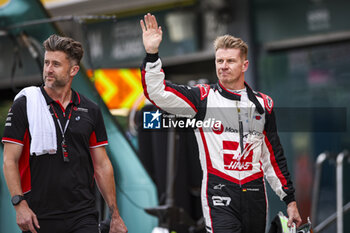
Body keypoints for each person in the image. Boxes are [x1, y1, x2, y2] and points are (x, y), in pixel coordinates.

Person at [140, 13, 302, 233]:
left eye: (230, 61)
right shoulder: (203, 98)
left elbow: (273, 157)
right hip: (219, 191)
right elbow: (157, 93)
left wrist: (290, 201)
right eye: (219, 61)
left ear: (245, 65)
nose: (223, 66)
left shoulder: (263, 104)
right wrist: (151, 54)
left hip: (255, 193)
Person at [2, 34, 127, 233]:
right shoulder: (25, 105)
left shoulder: (90, 110)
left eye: (56, 64)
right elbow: (9, 160)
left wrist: (115, 215)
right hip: (38, 216)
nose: (48, 70)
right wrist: (19, 205)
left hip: (83, 214)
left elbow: (102, 164)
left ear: (73, 70)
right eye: (46, 63)